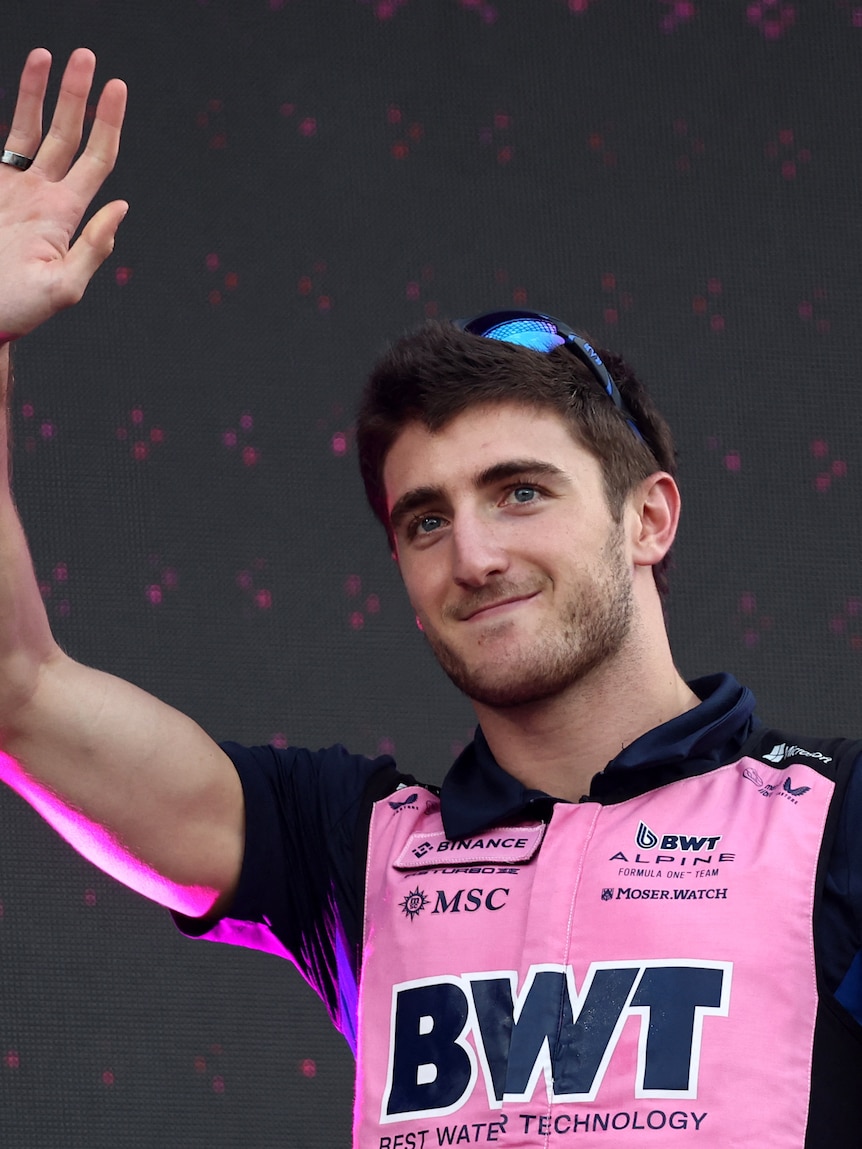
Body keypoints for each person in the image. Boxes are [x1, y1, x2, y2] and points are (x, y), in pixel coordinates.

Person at [0, 47, 860, 1149]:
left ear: (648, 518)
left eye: (520, 491)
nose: (475, 554)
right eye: (425, 520)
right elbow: (18, 694)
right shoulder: (348, 851)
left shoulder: (834, 820)